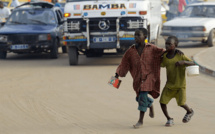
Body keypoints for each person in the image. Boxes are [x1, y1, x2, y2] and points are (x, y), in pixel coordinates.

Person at [115, 28, 165, 129]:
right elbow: (124, 62)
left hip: (150, 77)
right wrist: (117, 74)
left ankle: (140, 121)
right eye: (135, 35)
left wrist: (176, 52)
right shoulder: (131, 50)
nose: (136, 37)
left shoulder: (152, 48)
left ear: (145, 37)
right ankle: (150, 104)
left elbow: (164, 53)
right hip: (138, 78)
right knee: (139, 98)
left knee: (142, 96)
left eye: (139, 35)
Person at [159, 36, 195, 127]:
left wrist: (183, 62)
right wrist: (160, 56)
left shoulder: (180, 55)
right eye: (166, 44)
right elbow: (161, 64)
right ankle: (169, 119)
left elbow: (194, 63)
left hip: (180, 86)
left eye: (169, 44)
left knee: (181, 103)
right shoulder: (165, 57)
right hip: (169, 85)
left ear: (175, 45)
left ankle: (189, 111)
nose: (167, 46)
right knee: (162, 102)